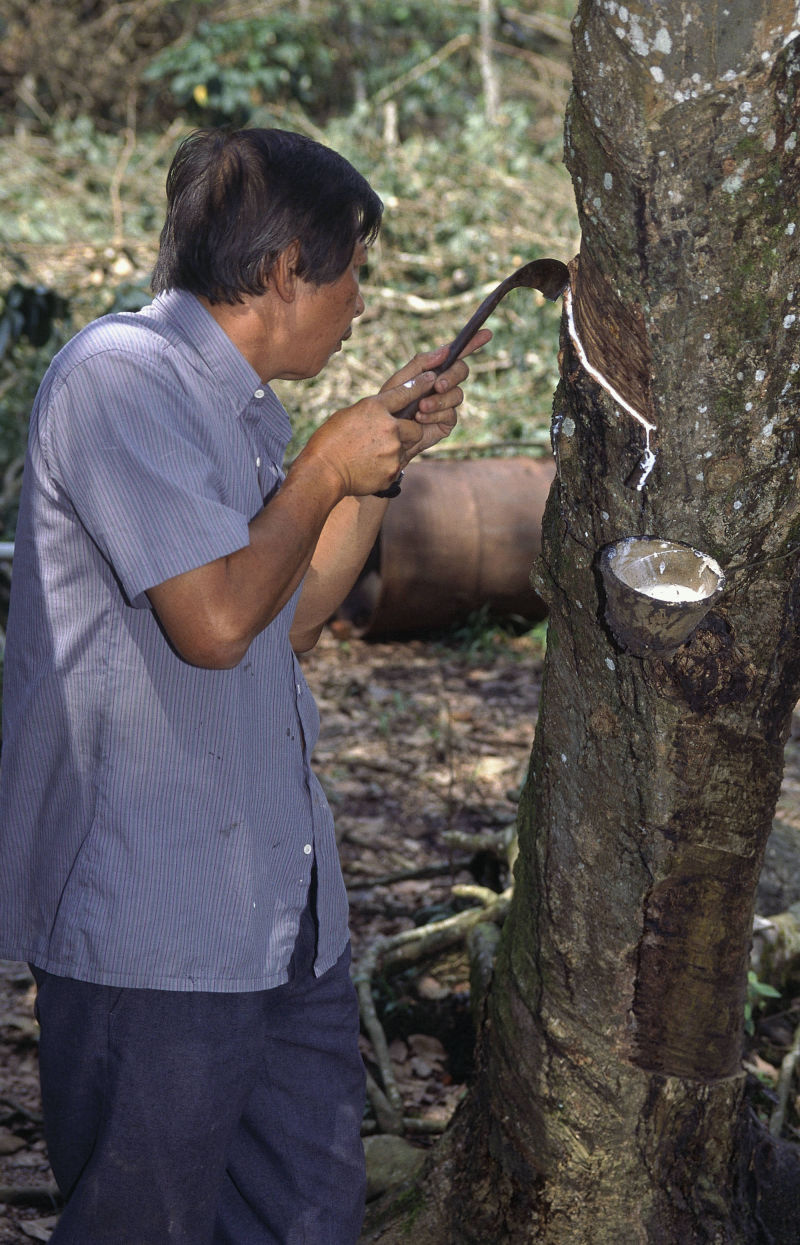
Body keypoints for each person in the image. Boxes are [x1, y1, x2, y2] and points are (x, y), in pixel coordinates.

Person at [0, 127, 490, 1244]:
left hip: (282, 917)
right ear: (282, 271)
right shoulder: (118, 378)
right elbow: (218, 624)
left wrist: (376, 467)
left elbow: (291, 615)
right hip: (154, 928)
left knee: (300, 1219)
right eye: (352, 269)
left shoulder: (245, 409)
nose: (361, 300)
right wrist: (322, 466)